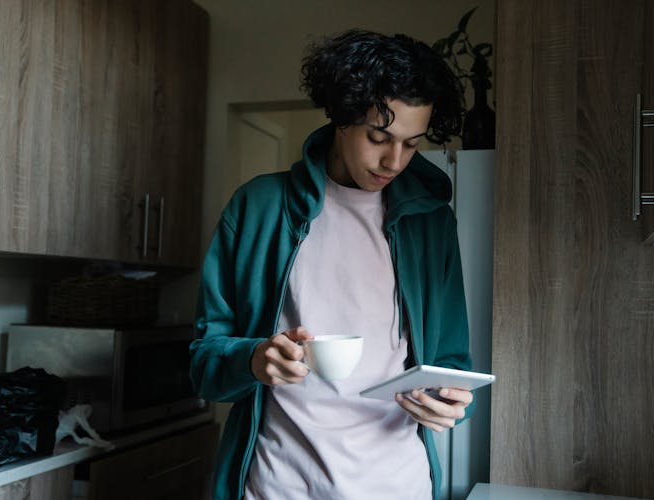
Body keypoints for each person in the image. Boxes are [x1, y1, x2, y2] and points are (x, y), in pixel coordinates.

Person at [190, 29, 474, 500]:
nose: (394, 160)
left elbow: (449, 363)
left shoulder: (431, 222)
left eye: (412, 143)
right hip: (277, 486)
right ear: (341, 117)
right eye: (379, 137)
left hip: (396, 485)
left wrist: (448, 403)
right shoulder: (258, 207)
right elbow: (204, 362)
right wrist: (254, 359)